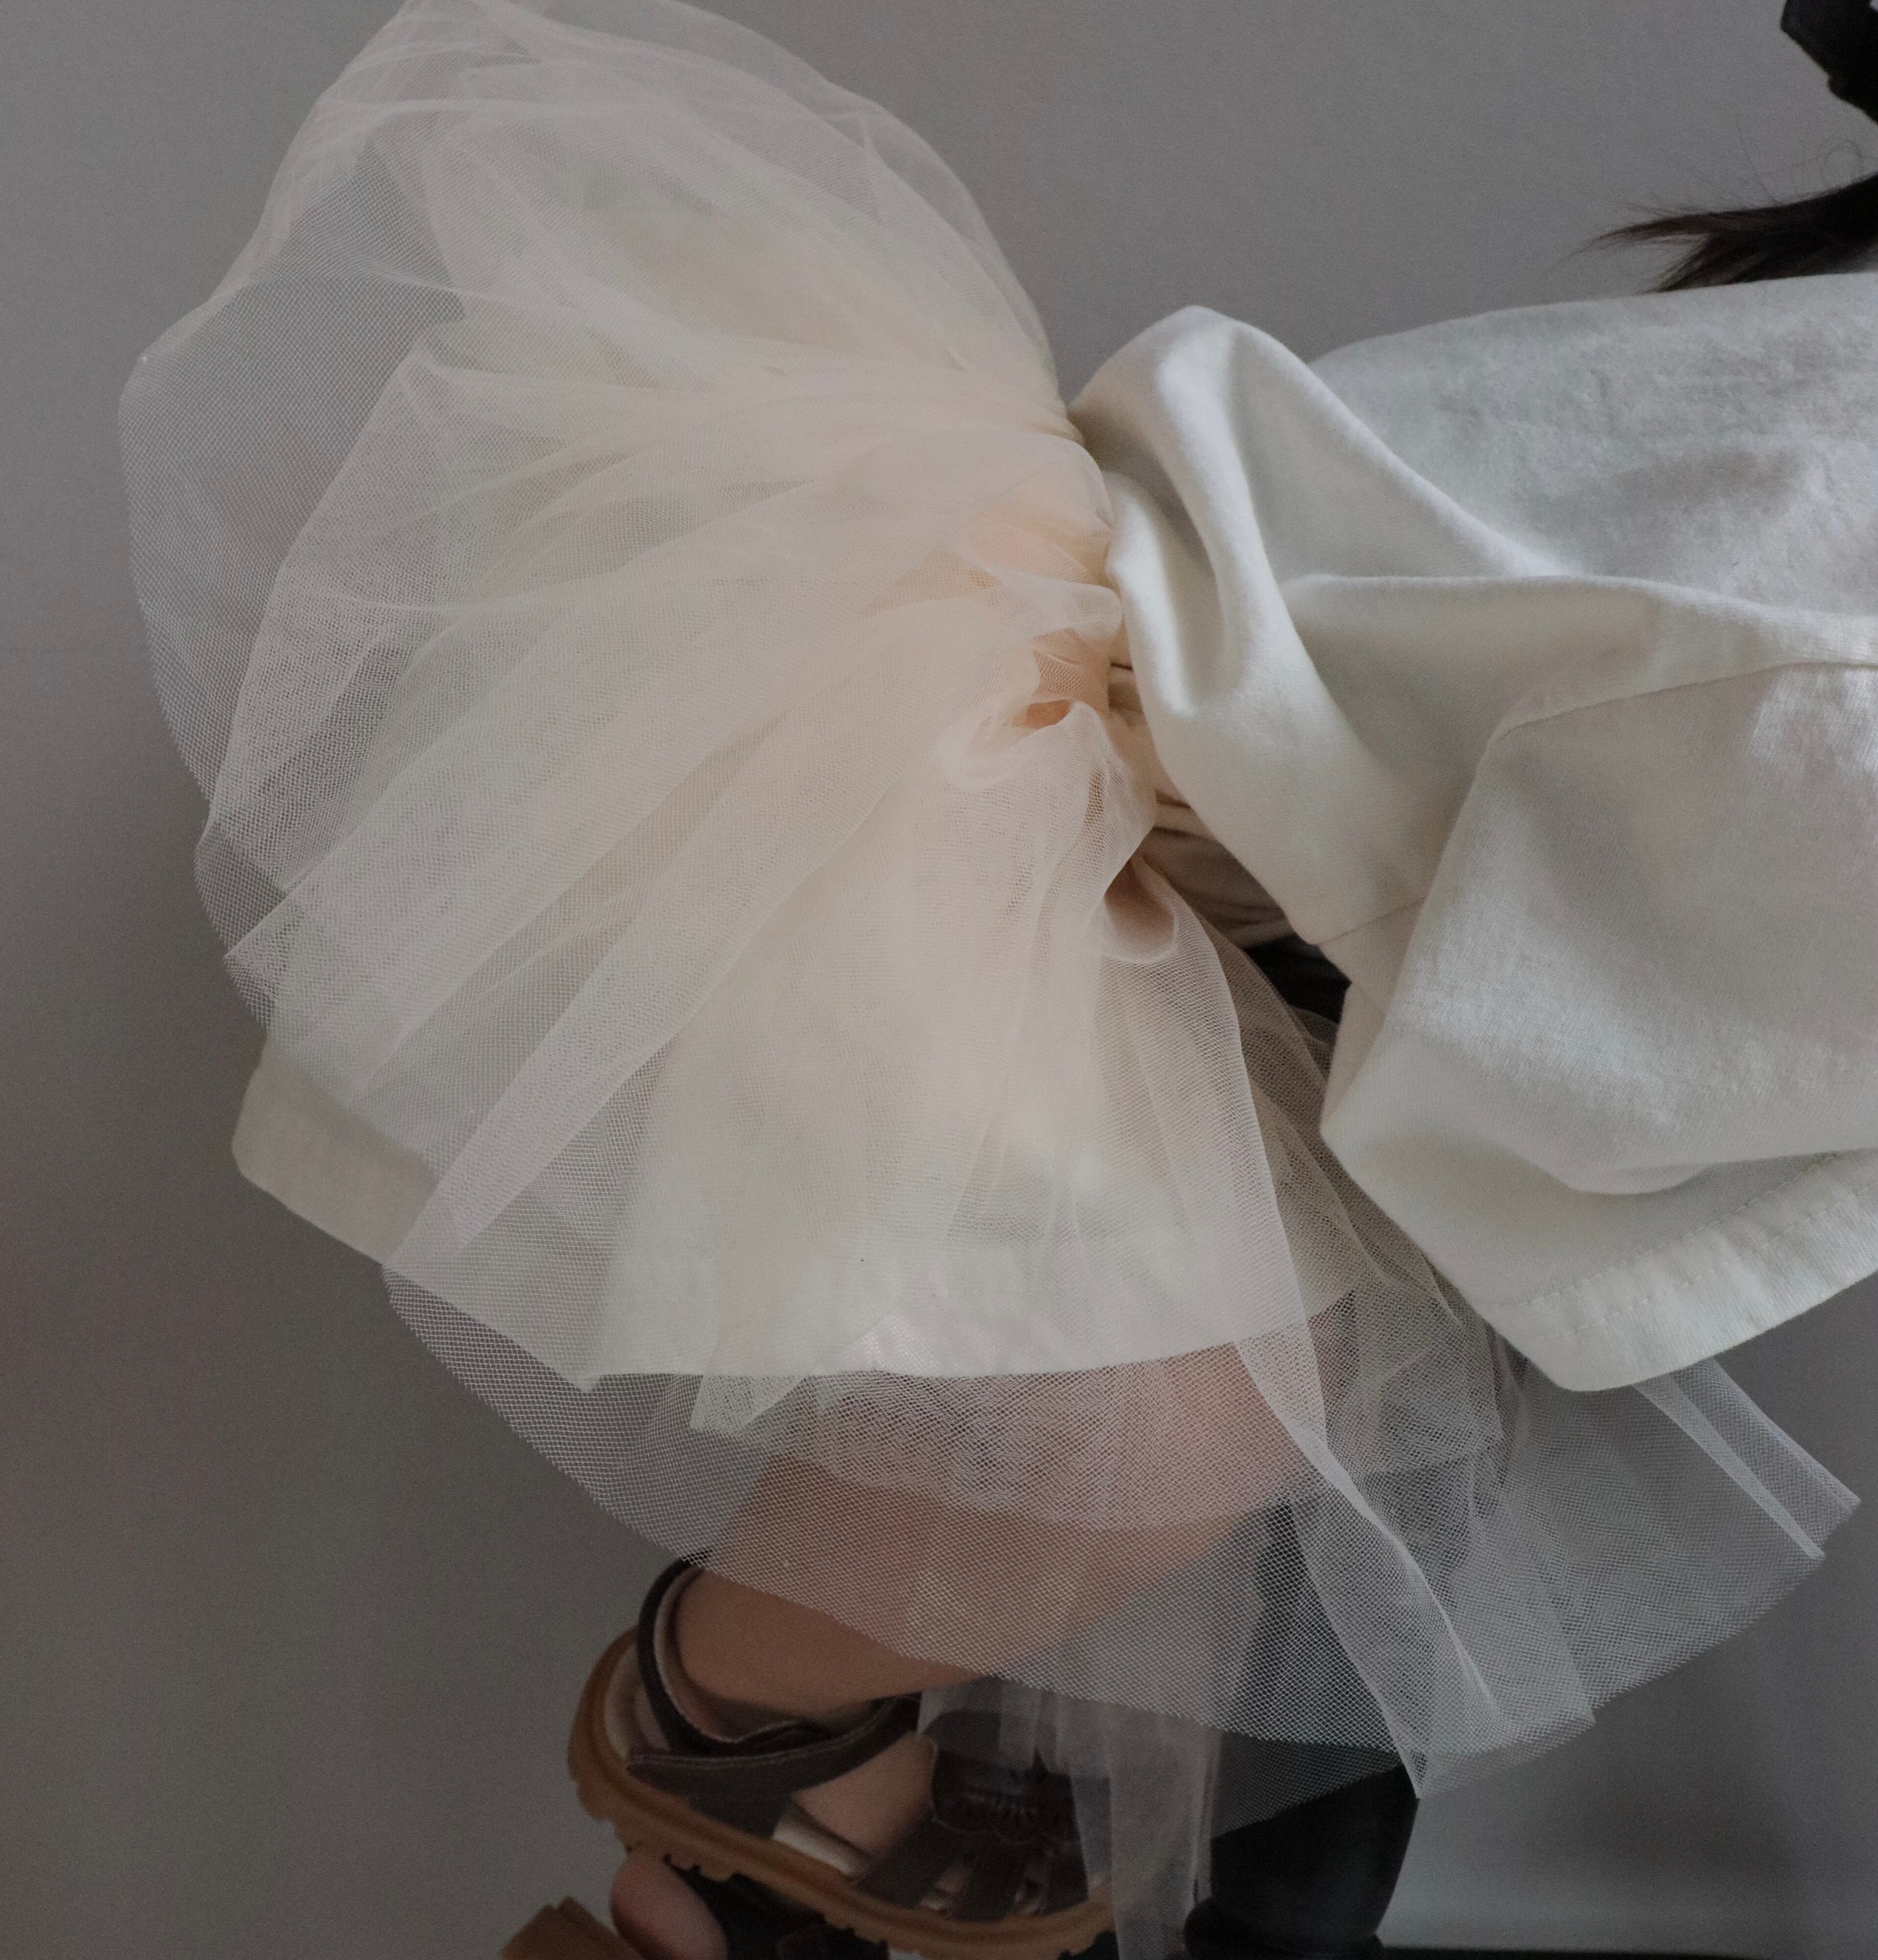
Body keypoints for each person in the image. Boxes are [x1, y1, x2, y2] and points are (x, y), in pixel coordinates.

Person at [118, 3, 1878, 1957]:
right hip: (1055, 787)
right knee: (1167, 1429)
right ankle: (725, 1729)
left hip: (1216, 828)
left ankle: (746, 1836)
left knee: (1282, 1514)